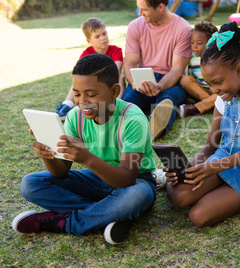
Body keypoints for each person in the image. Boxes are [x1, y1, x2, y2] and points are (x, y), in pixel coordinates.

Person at [12, 54, 156, 245]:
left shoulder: (132, 118)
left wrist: (88, 159)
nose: (82, 101)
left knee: (137, 196)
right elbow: (61, 172)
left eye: (91, 94)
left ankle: (62, 222)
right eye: (77, 93)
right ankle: (108, 215)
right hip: (96, 179)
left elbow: (127, 179)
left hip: (134, 181)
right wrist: (48, 155)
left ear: (114, 91)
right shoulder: (74, 117)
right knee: (30, 184)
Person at [165, 22, 240, 227]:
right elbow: (210, 146)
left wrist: (213, 167)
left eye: (218, 82)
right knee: (179, 196)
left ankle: (228, 191)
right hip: (221, 161)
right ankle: (169, 179)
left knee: (199, 216)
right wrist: (187, 169)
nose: (213, 90)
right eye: (209, 84)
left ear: (239, 69)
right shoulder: (222, 97)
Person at [122, 0, 192, 141]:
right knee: (128, 103)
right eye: (139, 8)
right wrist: (135, 83)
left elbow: (177, 69)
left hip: (171, 82)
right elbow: (129, 63)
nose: (140, 13)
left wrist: (160, 86)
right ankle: (124, 127)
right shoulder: (135, 26)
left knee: (166, 101)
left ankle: (153, 130)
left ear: (160, 7)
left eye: (144, 9)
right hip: (142, 80)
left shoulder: (183, 28)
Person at [55, 17, 125, 121]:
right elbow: (82, 74)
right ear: (89, 40)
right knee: (78, 83)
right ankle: (67, 105)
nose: (103, 38)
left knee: (120, 78)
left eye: (104, 34)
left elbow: (116, 70)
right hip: (91, 84)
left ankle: (114, 107)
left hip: (109, 81)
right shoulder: (86, 53)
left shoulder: (116, 50)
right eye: (97, 36)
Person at [179, 21, 218, 118]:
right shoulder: (192, 58)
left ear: (211, 43)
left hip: (218, 90)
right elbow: (191, 79)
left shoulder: (217, 58)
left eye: (199, 43)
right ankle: (209, 103)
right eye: (192, 43)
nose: (194, 46)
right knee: (185, 79)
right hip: (201, 92)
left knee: (224, 94)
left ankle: (197, 108)